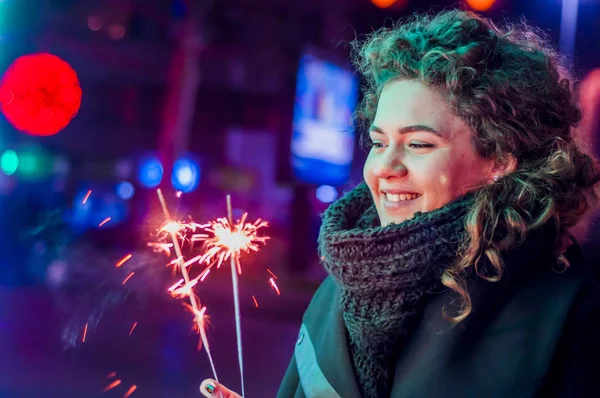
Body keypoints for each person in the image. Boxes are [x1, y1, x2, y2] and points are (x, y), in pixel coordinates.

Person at [201, 9, 600, 398]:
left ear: (499, 158)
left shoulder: (566, 313)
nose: (386, 168)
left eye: (419, 145)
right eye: (378, 143)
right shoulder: (338, 289)